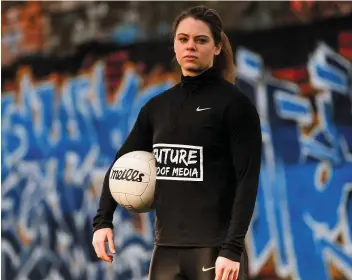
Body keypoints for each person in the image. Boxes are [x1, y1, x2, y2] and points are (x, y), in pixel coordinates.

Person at [92, 5, 262, 280]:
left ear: (217, 47)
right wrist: (103, 221)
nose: (190, 46)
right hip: (166, 252)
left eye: (201, 39)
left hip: (215, 251)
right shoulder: (157, 107)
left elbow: (247, 180)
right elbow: (120, 165)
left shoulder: (235, 105)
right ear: (174, 45)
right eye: (183, 39)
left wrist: (231, 249)